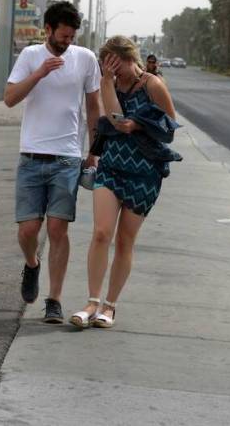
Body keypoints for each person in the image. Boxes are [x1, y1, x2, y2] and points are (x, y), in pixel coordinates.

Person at [70, 36, 180, 330]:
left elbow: (170, 129)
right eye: (110, 68)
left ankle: (110, 306)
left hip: (145, 173)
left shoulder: (153, 85)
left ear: (132, 59)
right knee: (101, 233)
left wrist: (139, 124)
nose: (116, 74)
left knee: (124, 241)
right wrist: (107, 83)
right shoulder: (111, 82)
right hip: (112, 166)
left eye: (119, 67)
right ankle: (92, 302)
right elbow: (114, 118)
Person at [4, 1, 102, 324]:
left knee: (58, 228)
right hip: (31, 155)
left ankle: (54, 299)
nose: (67, 42)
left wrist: (93, 151)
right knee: (28, 229)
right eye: (62, 36)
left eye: (71, 36)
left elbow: (92, 108)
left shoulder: (86, 60)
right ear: (47, 30)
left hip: (67, 158)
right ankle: (32, 264)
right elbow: (10, 98)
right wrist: (40, 72)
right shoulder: (31, 56)